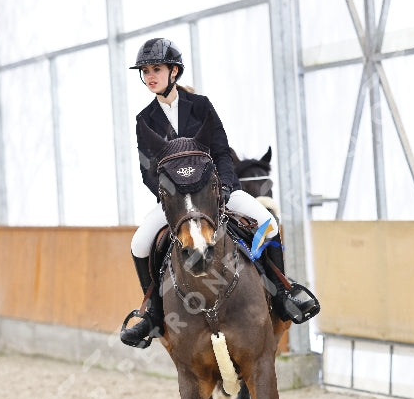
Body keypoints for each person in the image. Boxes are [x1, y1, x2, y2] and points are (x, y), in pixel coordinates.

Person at [120, 37, 318, 348]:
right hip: (177, 203)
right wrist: (170, 199)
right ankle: (153, 313)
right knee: (139, 243)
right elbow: (148, 170)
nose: (149, 76)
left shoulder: (201, 106)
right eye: (144, 71)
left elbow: (222, 151)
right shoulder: (144, 119)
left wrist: (225, 187)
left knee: (267, 222)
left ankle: (282, 292)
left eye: (155, 69)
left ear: (174, 71)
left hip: (217, 193)